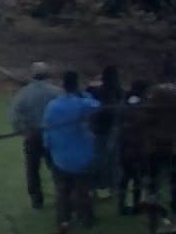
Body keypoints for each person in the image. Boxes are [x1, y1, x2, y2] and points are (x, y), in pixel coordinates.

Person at [44, 70, 101, 230]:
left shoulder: (52, 105)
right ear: (76, 85)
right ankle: (85, 218)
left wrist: (48, 147)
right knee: (83, 191)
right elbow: (97, 105)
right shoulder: (82, 104)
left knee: (62, 191)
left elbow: (47, 131)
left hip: (60, 156)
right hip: (82, 156)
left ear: (63, 85)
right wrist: (85, 93)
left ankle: (64, 220)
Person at [10, 61, 64, 210]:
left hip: (32, 135)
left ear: (32, 75)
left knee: (32, 169)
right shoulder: (57, 92)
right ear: (47, 75)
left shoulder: (23, 93)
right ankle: (63, 195)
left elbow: (14, 115)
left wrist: (22, 131)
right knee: (56, 167)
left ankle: (36, 201)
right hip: (52, 135)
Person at [144, 58, 176, 216]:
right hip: (175, 141)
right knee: (175, 176)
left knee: (154, 175)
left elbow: (149, 116)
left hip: (156, 140)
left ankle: (153, 204)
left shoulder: (155, 92)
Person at [87, 65, 125, 197]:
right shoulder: (119, 91)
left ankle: (94, 188)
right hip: (114, 129)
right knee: (113, 161)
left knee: (97, 160)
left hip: (98, 129)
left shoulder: (97, 91)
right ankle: (113, 188)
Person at [118, 80, 150, 216]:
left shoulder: (125, 103)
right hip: (136, 146)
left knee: (125, 177)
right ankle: (136, 206)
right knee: (136, 177)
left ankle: (122, 205)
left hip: (124, 145)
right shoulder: (141, 106)